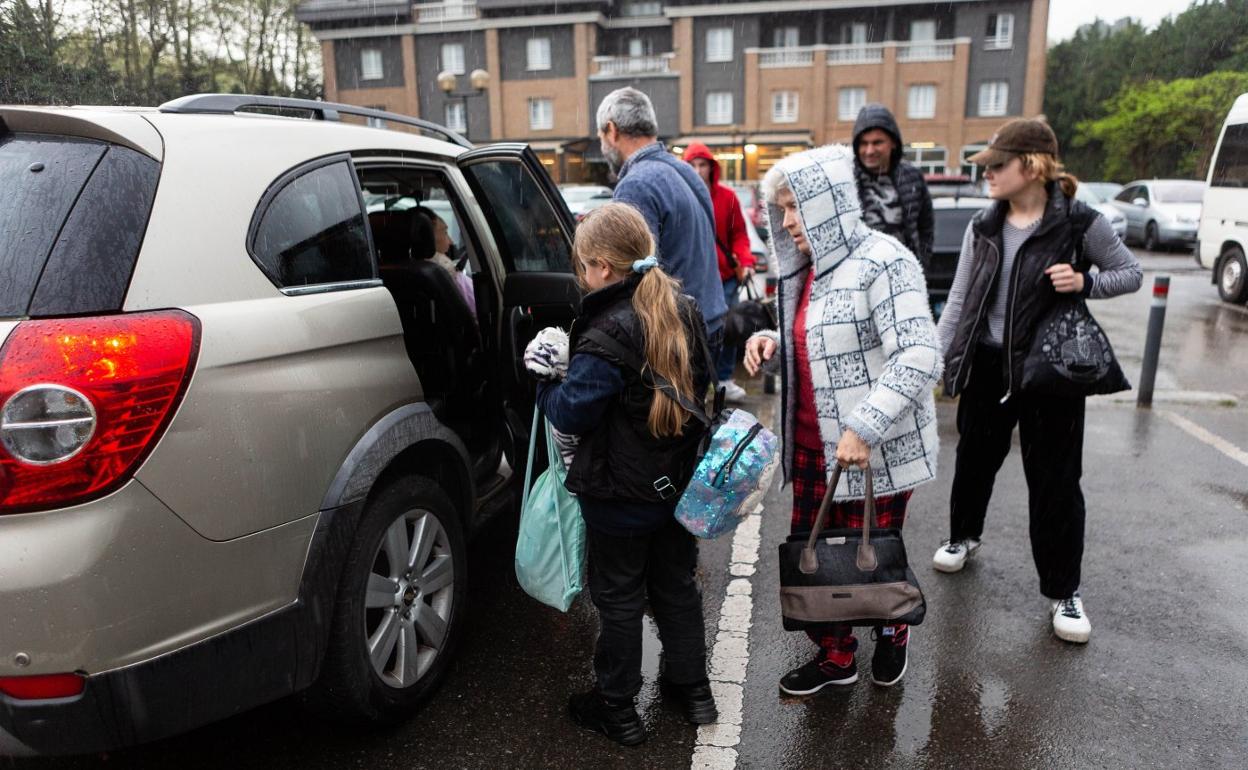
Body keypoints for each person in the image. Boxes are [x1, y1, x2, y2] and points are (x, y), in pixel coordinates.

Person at [933, 118, 1142, 644]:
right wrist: (935, 360)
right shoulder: (983, 225)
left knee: (1055, 483)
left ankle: (1064, 591)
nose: (988, 175)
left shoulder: (1077, 223)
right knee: (975, 460)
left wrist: (1086, 280)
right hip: (987, 364)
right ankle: (963, 535)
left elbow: (1130, 273)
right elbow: (959, 300)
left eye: (996, 166)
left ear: (1030, 165)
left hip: (1050, 372)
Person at [742, 145, 942, 694]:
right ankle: (836, 656)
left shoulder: (886, 261)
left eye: (793, 209)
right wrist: (773, 341)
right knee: (817, 556)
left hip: (870, 446)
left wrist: (864, 427)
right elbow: (822, 336)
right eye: (778, 210)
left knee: (869, 555)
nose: (784, 223)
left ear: (828, 204)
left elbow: (919, 353)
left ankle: (893, 627)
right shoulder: (805, 269)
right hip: (812, 445)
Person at [527, 202, 716, 745]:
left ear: (603, 268)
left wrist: (544, 379)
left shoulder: (605, 329)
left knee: (620, 599)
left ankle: (617, 708)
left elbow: (572, 411)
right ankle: (693, 690)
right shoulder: (681, 306)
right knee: (676, 587)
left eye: (583, 266)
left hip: (619, 492)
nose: (582, 276)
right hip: (679, 484)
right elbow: (702, 381)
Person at [596, 87, 728, 350]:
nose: (602, 143)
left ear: (612, 130)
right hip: (707, 322)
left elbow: (631, 277)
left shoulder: (635, 185)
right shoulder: (685, 171)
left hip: (675, 335)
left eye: (600, 135)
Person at [683, 142, 756, 402]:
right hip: (692, 278)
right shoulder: (681, 194)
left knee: (728, 330)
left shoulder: (727, 198)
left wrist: (745, 261)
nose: (698, 170)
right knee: (693, 332)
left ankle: (724, 378)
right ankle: (697, 382)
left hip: (724, 277)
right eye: (692, 165)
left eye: (703, 165)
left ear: (712, 168)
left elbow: (739, 236)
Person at [852, 104, 934, 268]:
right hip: (859, 276)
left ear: (893, 143)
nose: (869, 150)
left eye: (877, 142)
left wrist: (921, 264)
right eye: (863, 143)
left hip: (904, 273)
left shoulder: (912, 177)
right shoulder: (847, 177)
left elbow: (926, 227)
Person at [414, 207, 476, 319]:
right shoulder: (443, 272)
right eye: (445, 232)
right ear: (429, 236)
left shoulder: (389, 272)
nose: (451, 241)